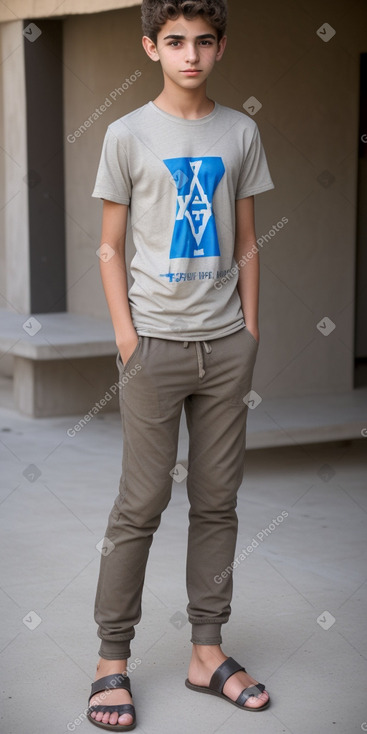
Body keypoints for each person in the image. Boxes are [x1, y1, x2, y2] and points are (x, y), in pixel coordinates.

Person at [87, 0, 274, 729]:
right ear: (150, 47)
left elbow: (250, 240)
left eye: (202, 41)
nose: (189, 54)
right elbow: (107, 246)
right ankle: (111, 662)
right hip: (154, 348)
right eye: (174, 41)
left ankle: (205, 651)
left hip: (225, 345)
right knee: (139, 507)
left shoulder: (240, 132)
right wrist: (129, 340)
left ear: (220, 47)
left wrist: (248, 332)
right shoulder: (126, 133)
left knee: (217, 502)